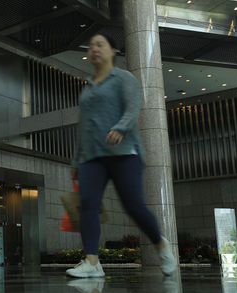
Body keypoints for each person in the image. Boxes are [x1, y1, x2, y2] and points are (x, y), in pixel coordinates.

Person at [67, 33, 177, 278]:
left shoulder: (123, 78)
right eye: (91, 45)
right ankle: (92, 262)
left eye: (100, 44)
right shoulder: (87, 89)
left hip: (124, 152)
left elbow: (133, 105)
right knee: (87, 206)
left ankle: (161, 244)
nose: (94, 48)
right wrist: (76, 160)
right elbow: (83, 127)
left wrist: (121, 127)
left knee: (133, 205)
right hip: (91, 158)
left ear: (113, 50)